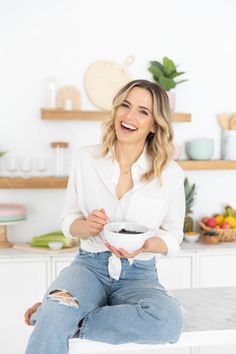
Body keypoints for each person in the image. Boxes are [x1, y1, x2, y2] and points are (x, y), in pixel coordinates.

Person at [25, 79, 185, 354]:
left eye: (142, 112)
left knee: (168, 321)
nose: (129, 116)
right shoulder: (86, 159)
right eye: (125, 105)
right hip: (89, 267)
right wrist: (85, 227)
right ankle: (56, 314)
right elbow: (69, 219)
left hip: (140, 275)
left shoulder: (170, 173)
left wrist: (148, 245)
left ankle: (59, 316)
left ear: (154, 124)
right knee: (57, 313)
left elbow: (173, 236)